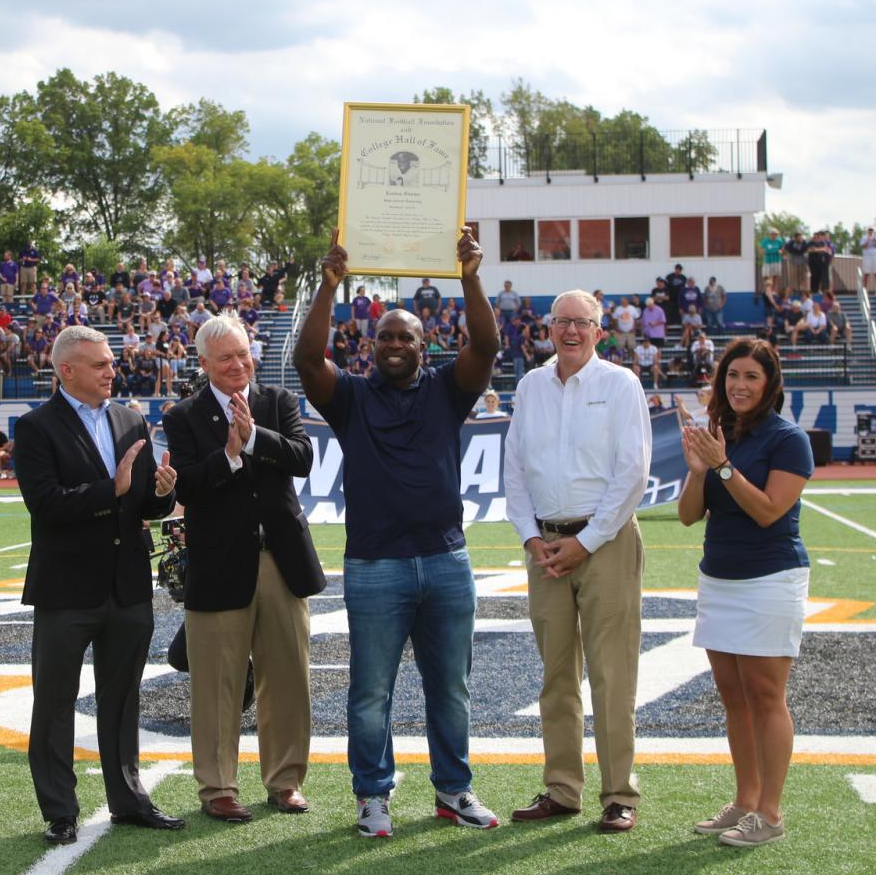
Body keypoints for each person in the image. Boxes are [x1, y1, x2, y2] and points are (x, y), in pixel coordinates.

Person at [294, 226, 501, 839]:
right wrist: (330, 286)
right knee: (370, 692)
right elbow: (308, 359)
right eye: (383, 335)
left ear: (422, 344)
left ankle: (453, 790)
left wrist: (468, 274)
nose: (392, 344)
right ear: (370, 343)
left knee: (452, 689)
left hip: (445, 560)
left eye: (403, 336)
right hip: (375, 564)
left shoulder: (445, 390)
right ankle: (372, 796)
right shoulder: (352, 397)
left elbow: (486, 347)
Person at [14, 324, 182, 846]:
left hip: (128, 584)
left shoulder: (130, 420)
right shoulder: (36, 427)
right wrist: (112, 489)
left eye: (111, 362)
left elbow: (144, 507)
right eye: (101, 364)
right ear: (67, 371)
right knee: (56, 702)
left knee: (122, 699)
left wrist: (161, 493)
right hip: (67, 589)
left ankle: (128, 800)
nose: (113, 370)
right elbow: (45, 504)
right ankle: (60, 811)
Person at [162, 315, 325, 824]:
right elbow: (185, 487)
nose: (238, 365)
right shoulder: (184, 416)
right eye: (226, 358)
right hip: (217, 565)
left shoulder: (277, 401)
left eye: (243, 353)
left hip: (282, 560)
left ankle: (285, 780)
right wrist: (230, 456)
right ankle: (218, 788)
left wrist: (254, 440)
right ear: (205, 364)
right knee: (216, 683)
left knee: (288, 677)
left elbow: (303, 458)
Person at [502, 288, 652, 834]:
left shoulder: (620, 384)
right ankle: (562, 789)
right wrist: (529, 537)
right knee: (557, 676)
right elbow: (514, 469)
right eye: (562, 321)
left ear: (599, 330)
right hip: (545, 547)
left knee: (613, 674)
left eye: (581, 323)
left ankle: (619, 795)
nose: (570, 331)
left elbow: (632, 473)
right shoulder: (530, 385)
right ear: (548, 328)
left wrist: (586, 541)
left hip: (605, 544)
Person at [677, 337, 813, 847]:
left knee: (764, 695)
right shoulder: (719, 433)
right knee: (733, 698)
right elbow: (690, 516)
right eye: (733, 376)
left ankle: (770, 815)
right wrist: (698, 473)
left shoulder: (787, 438)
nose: (739, 385)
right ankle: (745, 800)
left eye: (751, 377)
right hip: (719, 576)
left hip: (771, 579)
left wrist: (723, 466)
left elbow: (767, 511)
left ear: (770, 383)